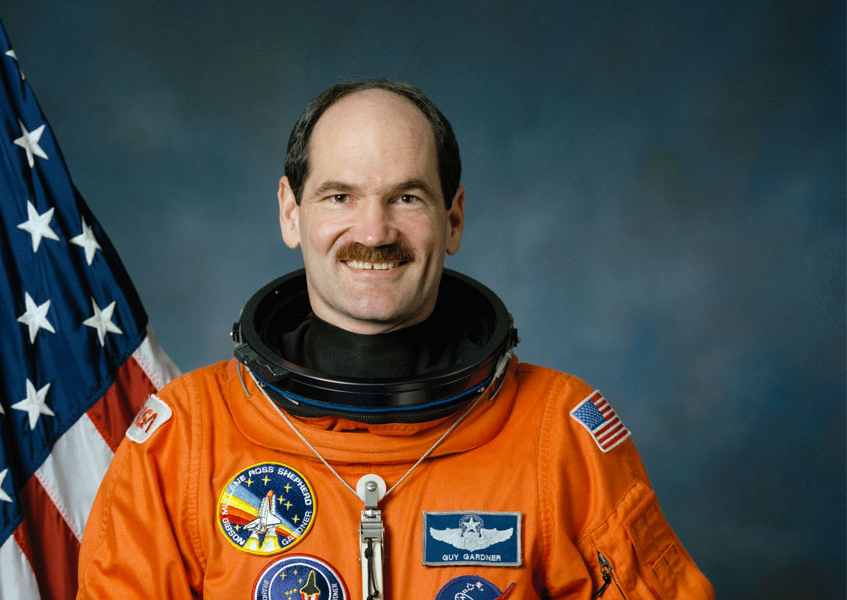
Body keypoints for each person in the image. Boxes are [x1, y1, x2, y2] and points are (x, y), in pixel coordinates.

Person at [77, 79, 713, 600]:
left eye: (406, 197)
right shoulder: (185, 438)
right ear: (290, 213)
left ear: (453, 217)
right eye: (339, 196)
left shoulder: (561, 436)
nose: (374, 231)